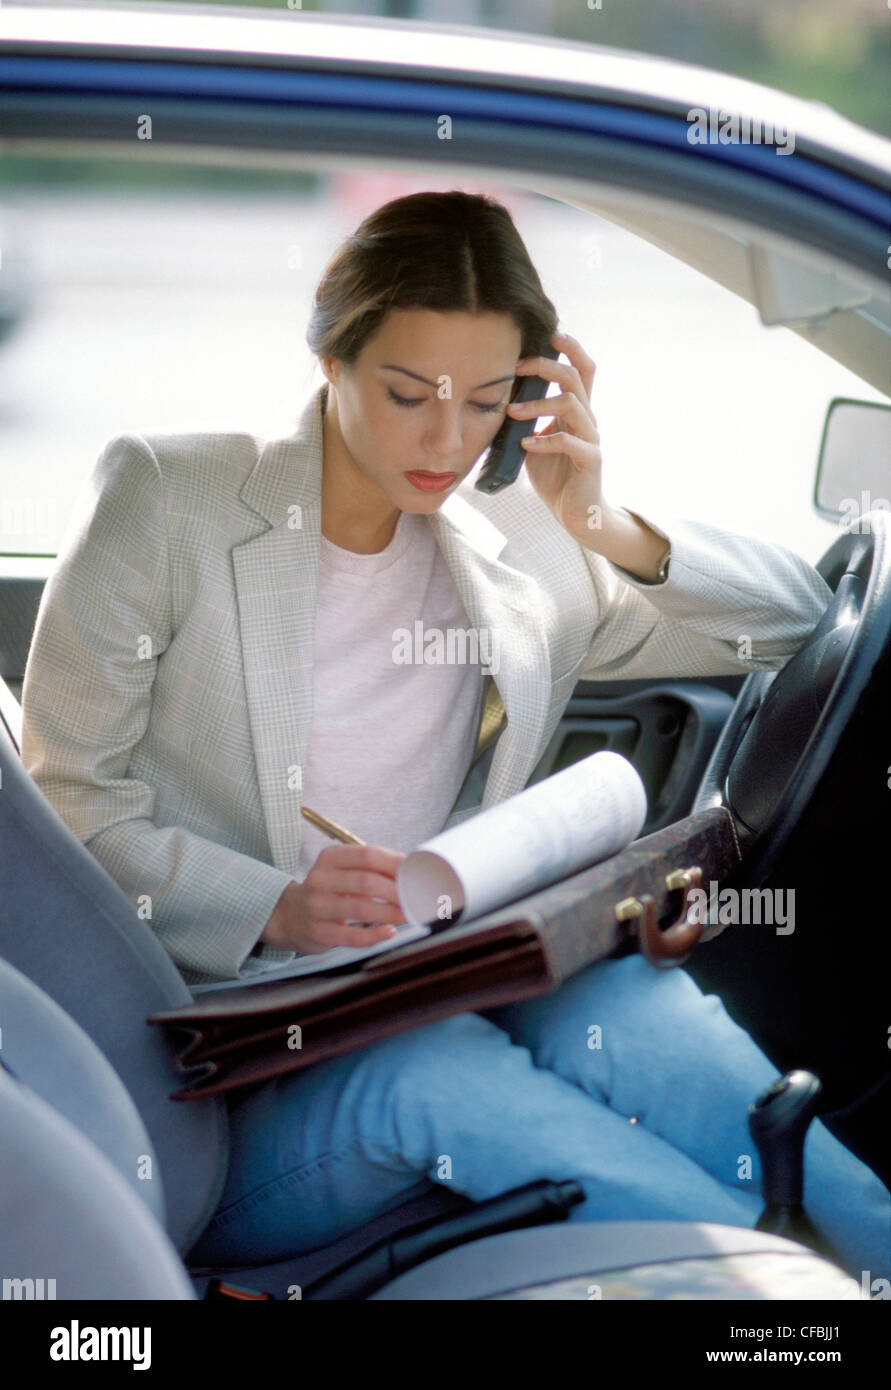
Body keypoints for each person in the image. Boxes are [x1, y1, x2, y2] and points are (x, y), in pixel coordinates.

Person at [21, 190, 890, 1282]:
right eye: (407, 394)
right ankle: (787, 1294)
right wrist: (278, 901)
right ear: (331, 356)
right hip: (215, 1090)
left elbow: (810, 623)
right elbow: (67, 811)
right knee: (459, 1080)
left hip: (439, 991)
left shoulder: (514, 565)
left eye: (486, 402)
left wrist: (598, 519)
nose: (445, 441)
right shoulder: (171, 498)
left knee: (639, 1010)